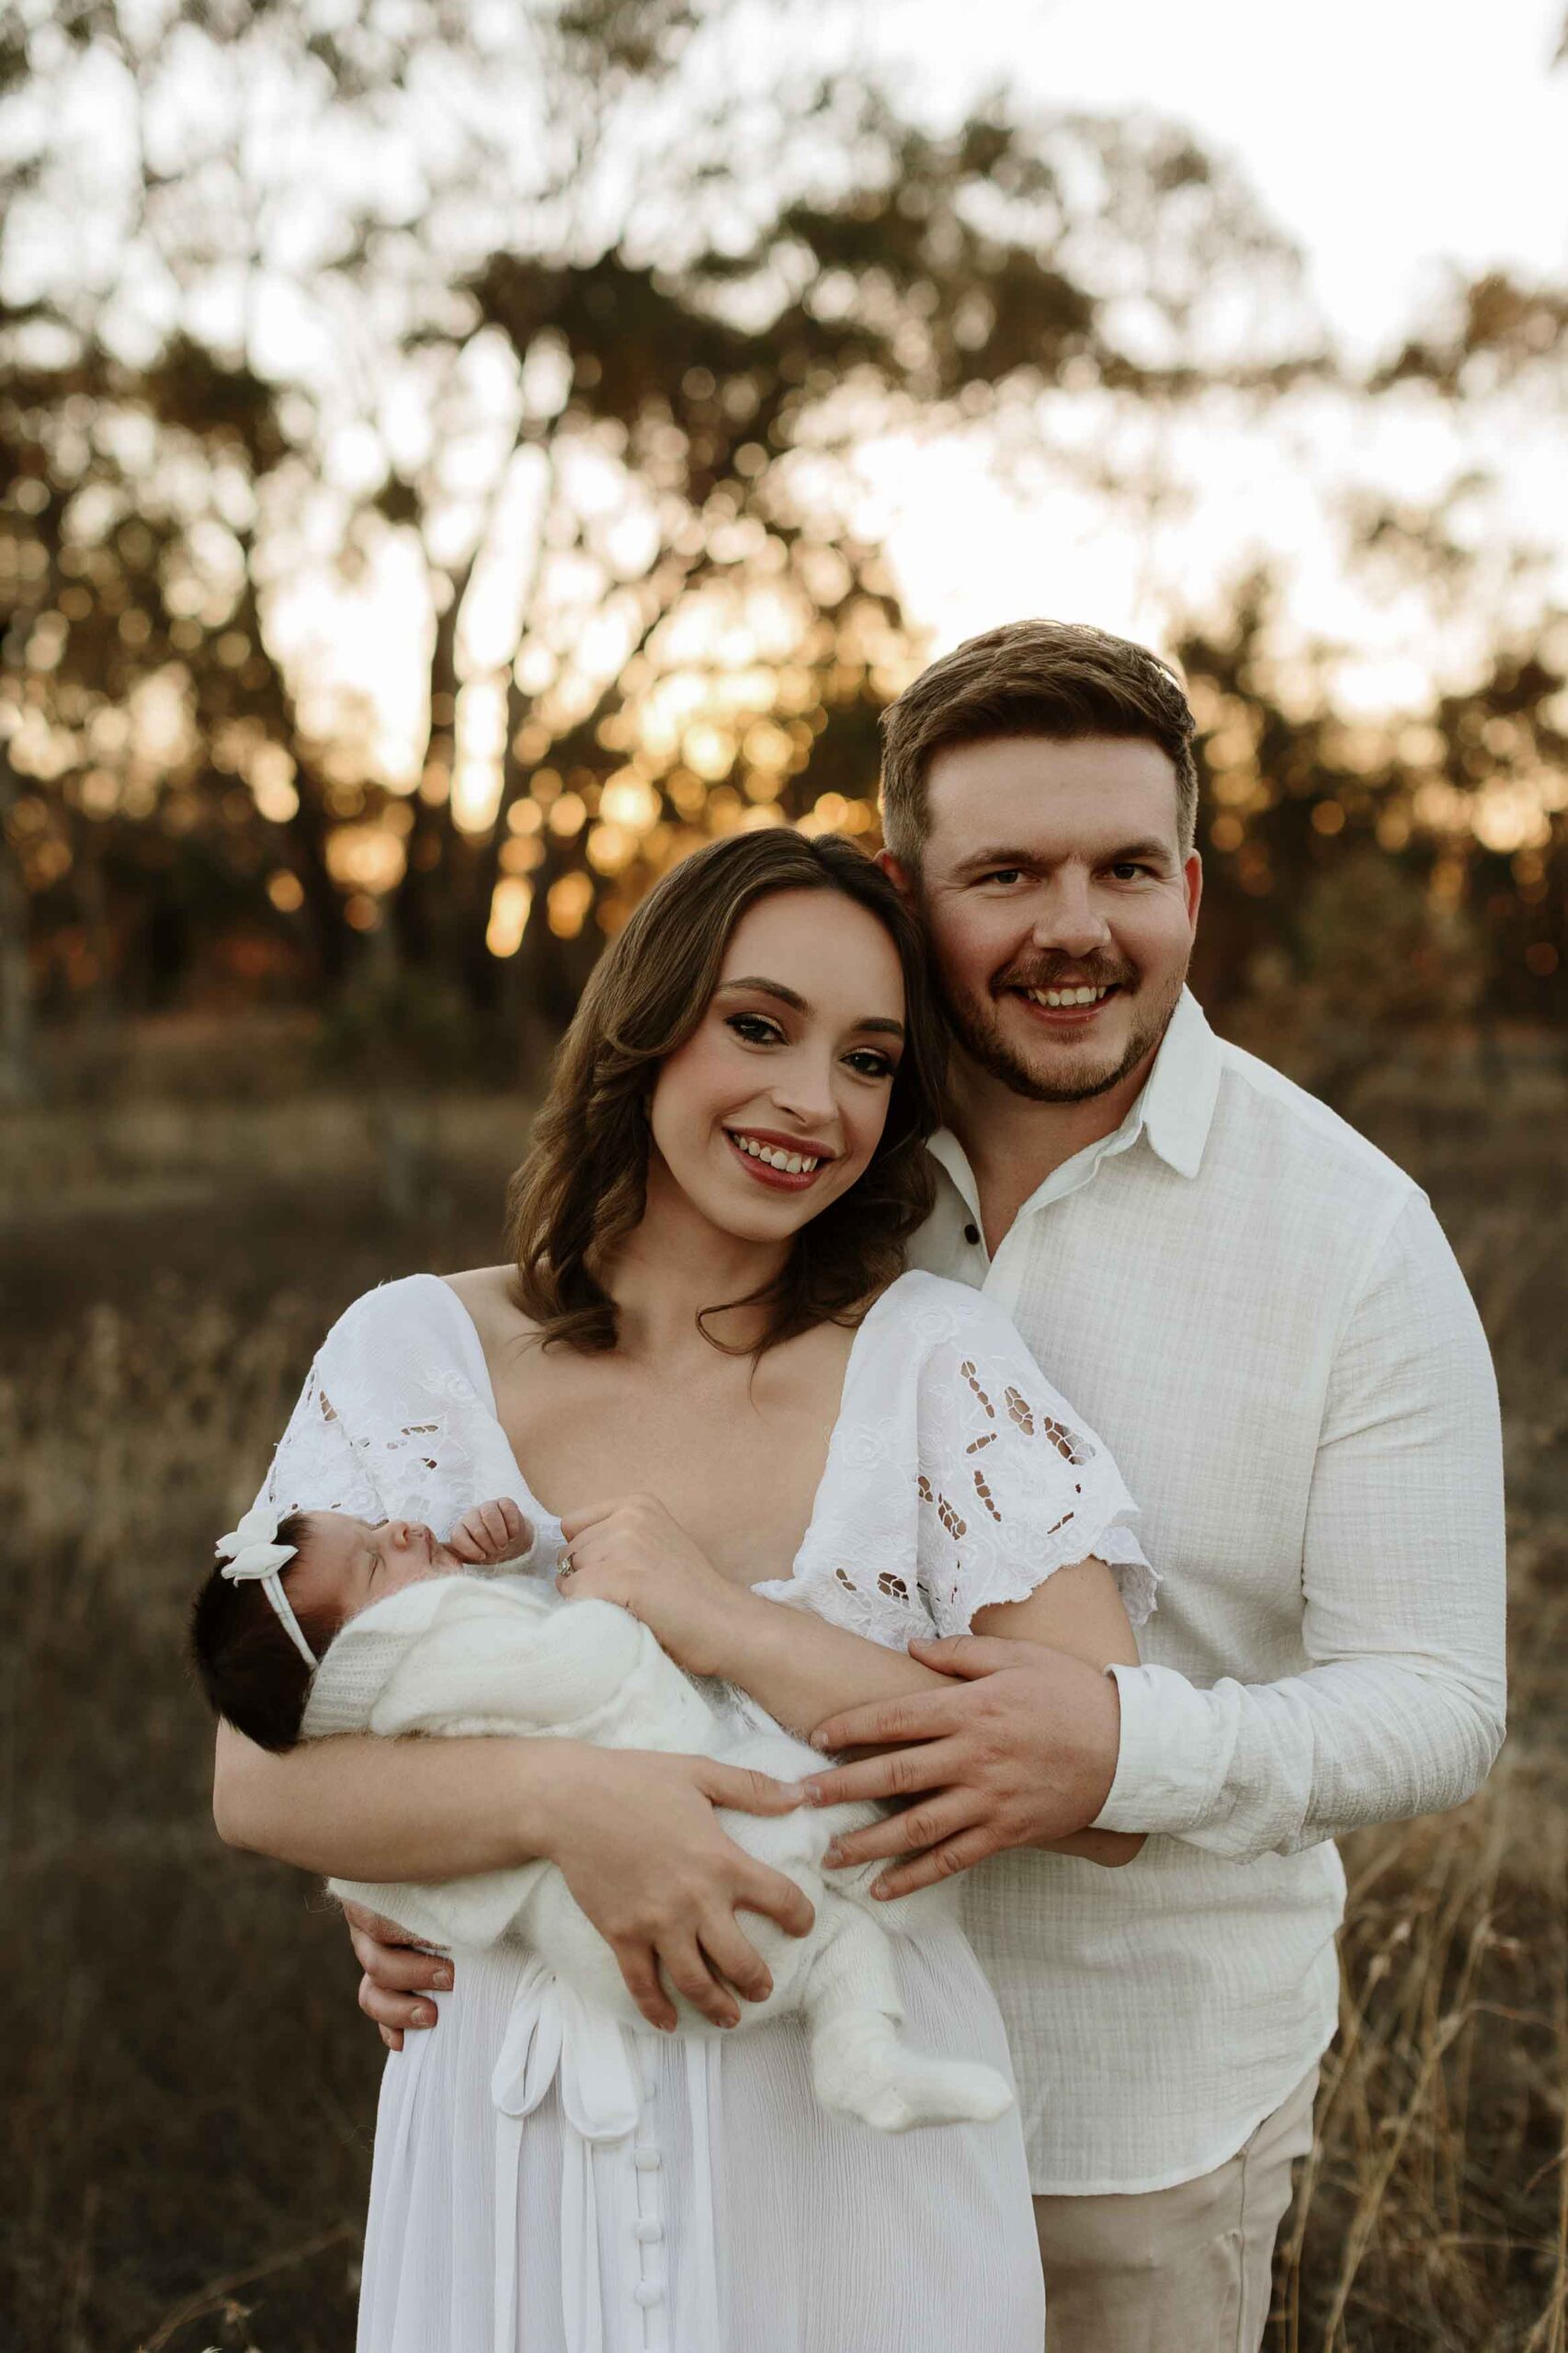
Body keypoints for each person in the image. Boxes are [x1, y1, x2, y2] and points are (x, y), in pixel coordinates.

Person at [210, 829, 1154, 2352]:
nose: (810, 1102)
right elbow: (258, 1777)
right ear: (647, 1025)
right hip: (512, 2139)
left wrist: (728, 1623)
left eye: (866, 1059)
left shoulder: (936, 1366)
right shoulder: (412, 1352)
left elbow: (1102, 1795)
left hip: (845, 2156)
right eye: (759, 1026)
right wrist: (554, 1812)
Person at [784, 620, 1508, 2352]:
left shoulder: (1349, 1235)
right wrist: (473, 1873)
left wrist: (1131, 1751)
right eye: (1005, 873)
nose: (1072, 927)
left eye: (1123, 867)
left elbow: (1439, 1705)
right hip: (770, 2070)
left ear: (1189, 884)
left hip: (1128, 2119)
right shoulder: (788, 1162)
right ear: (904, 893)